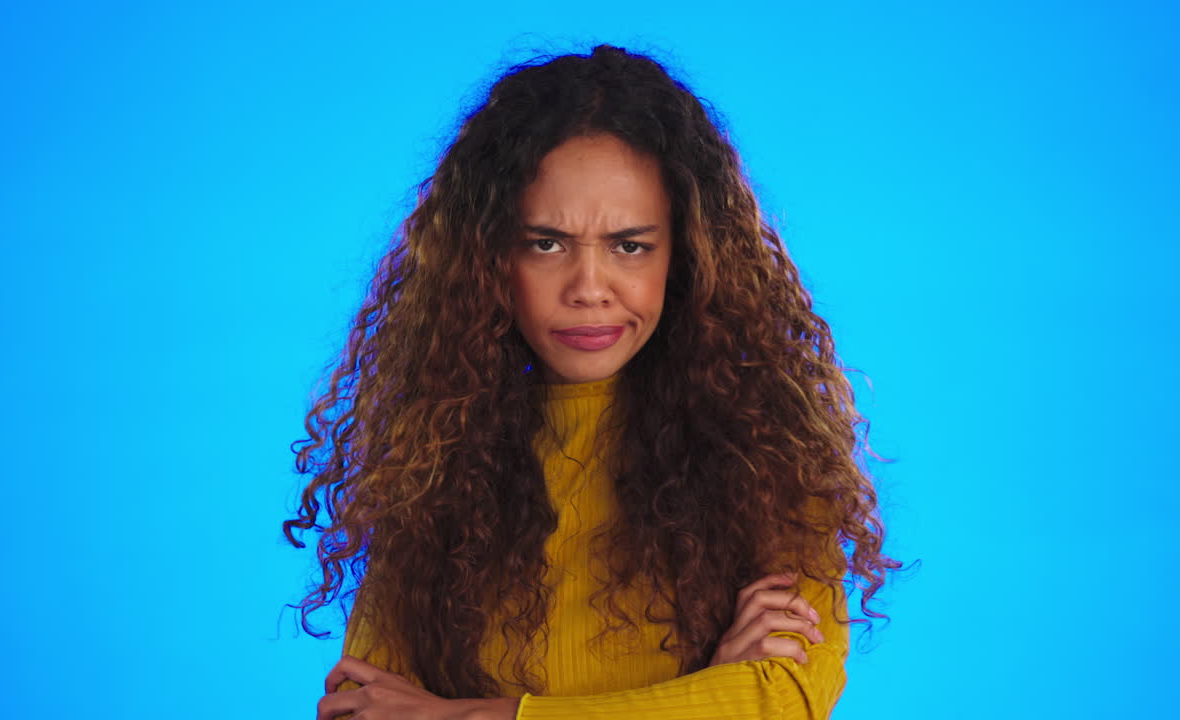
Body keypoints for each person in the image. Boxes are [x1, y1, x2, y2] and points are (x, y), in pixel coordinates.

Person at [284, 44, 904, 720]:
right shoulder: (433, 467)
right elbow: (362, 710)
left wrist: (461, 713)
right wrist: (697, 698)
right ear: (489, 260)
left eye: (629, 246)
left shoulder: (763, 460)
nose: (588, 289)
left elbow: (779, 701)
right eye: (545, 244)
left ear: (685, 256)